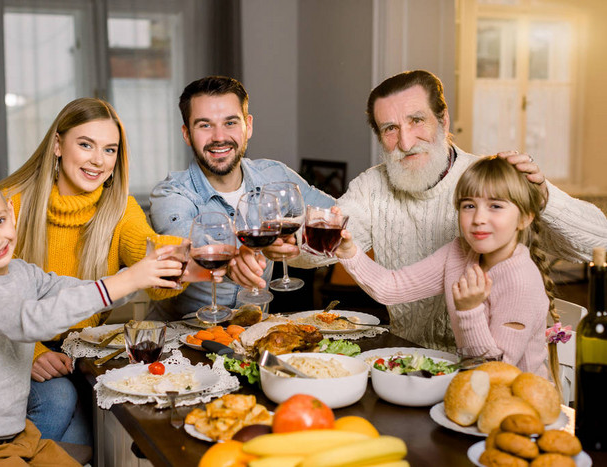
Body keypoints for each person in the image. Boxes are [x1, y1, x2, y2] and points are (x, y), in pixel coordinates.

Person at [231, 69, 607, 352]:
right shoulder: (373, 186)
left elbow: (599, 243)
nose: (406, 142)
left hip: (487, 369)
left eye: (416, 121)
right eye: (390, 129)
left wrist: (543, 196)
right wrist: (292, 247)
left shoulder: (487, 184)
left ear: (442, 121)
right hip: (408, 360)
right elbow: (334, 241)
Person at [0, 168, 185, 466]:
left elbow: (75, 290)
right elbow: (31, 320)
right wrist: (128, 281)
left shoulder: (21, 272)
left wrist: (143, 278)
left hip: (14, 438)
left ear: (11, 212)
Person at [0, 97, 208, 445]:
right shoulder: (11, 203)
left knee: (96, 430)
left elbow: (146, 248)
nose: (98, 160)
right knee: (64, 405)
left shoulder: (120, 208)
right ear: (57, 145)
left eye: (110, 150)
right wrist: (30, 352)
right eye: (85, 145)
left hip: (78, 357)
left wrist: (177, 258)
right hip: (11, 348)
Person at [335, 156, 561, 383]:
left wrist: (469, 310)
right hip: (470, 386)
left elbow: (494, 373)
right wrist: (349, 253)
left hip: (520, 404)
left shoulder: (520, 281)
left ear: (525, 218)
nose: (479, 219)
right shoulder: (459, 253)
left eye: (495, 206)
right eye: (469, 206)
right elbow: (391, 288)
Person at [148, 75, 334, 321]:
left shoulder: (274, 175)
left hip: (251, 336)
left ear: (248, 126)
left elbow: (331, 213)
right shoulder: (170, 194)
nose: (218, 137)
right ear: (186, 134)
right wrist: (236, 259)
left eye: (230, 123)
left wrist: (295, 239)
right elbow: (191, 244)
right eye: (204, 125)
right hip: (180, 343)